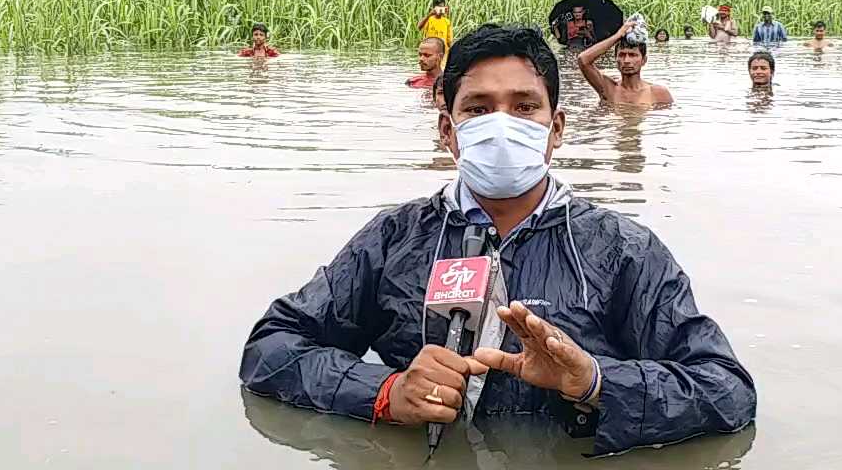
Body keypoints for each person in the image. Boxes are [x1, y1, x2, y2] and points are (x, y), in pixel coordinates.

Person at [238, 24, 756, 456]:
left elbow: (727, 392)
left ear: (556, 128)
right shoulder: (395, 239)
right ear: (448, 130)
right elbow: (271, 350)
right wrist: (385, 392)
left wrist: (595, 383)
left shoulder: (622, 250)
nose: (502, 126)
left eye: (525, 106)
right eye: (479, 109)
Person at [577, 20, 674, 106]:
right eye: (622, 55)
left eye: (633, 55)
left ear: (644, 60)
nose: (626, 61)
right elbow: (583, 59)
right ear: (616, 59)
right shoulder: (609, 89)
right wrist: (617, 36)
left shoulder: (658, 93)